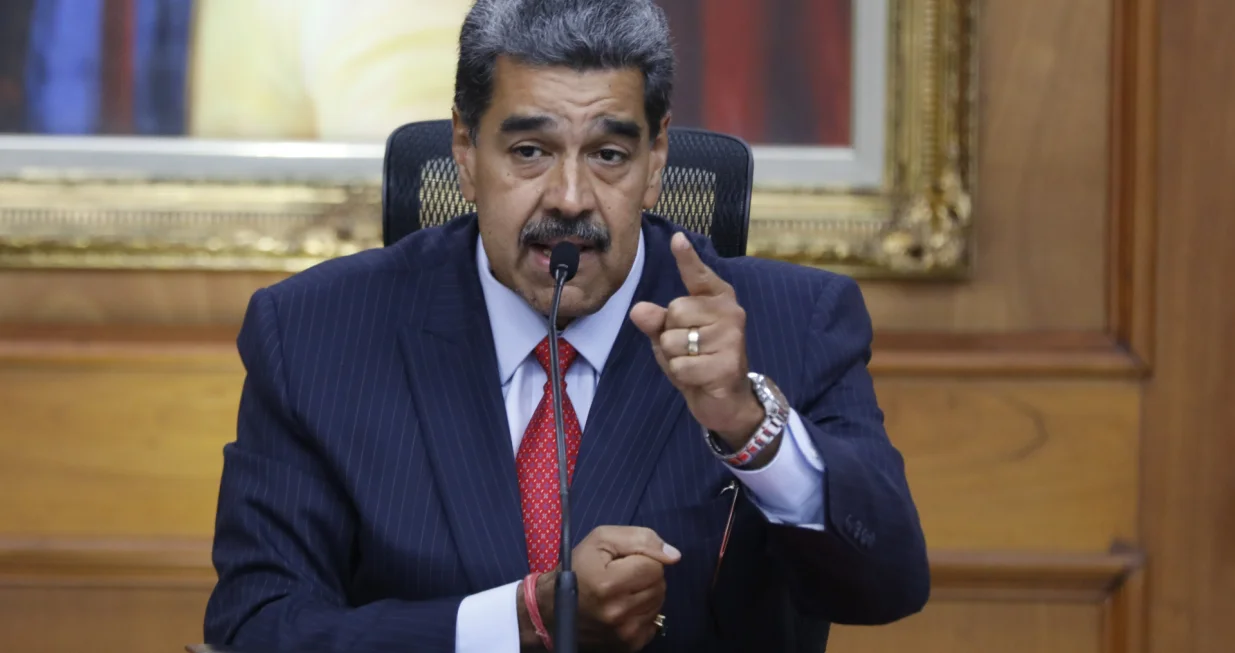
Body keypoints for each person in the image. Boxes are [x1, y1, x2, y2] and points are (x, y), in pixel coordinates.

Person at [203, 0, 930, 651]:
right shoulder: (314, 334)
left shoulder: (791, 323)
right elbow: (256, 625)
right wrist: (515, 624)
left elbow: (887, 585)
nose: (571, 198)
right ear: (464, 150)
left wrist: (749, 425)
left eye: (608, 154)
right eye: (529, 151)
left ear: (655, 162)